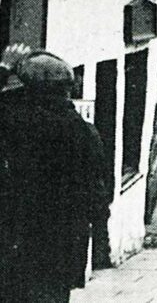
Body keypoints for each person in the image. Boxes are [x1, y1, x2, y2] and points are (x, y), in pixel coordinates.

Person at [0, 51, 110, 303]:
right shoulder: (84, 132)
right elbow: (98, 193)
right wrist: (101, 243)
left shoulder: (15, 122)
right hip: (63, 248)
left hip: (16, 243)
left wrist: (3, 69)